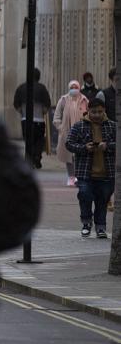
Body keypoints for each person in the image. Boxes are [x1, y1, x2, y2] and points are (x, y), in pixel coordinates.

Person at [65, 98, 115, 239]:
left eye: (100, 111)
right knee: (85, 195)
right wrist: (84, 147)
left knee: (102, 200)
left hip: (107, 172)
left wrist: (107, 146)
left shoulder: (112, 126)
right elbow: (68, 143)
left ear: (104, 110)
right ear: (89, 111)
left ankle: (101, 227)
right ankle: (86, 222)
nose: (97, 115)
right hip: (84, 172)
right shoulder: (79, 126)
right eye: (94, 112)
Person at [13, 68, 51, 169]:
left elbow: (16, 103)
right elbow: (47, 103)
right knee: (39, 140)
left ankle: (30, 158)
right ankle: (37, 156)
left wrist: (21, 111)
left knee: (28, 140)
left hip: (25, 119)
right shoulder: (42, 88)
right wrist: (43, 111)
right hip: (39, 120)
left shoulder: (21, 88)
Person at [55, 80, 89, 186]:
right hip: (67, 132)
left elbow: (88, 114)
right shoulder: (63, 99)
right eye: (72, 87)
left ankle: (78, 176)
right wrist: (60, 127)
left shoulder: (84, 100)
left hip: (81, 132)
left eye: (76, 87)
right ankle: (70, 176)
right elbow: (57, 116)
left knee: (79, 154)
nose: (74, 89)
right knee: (68, 155)